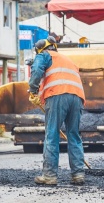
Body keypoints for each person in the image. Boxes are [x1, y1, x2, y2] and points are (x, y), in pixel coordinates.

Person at [28, 36, 86, 185]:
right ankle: (78, 174)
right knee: (74, 135)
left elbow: (36, 70)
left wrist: (33, 91)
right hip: (77, 97)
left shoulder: (44, 55)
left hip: (58, 95)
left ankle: (49, 176)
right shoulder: (68, 60)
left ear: (41, 49)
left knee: (52, 134)